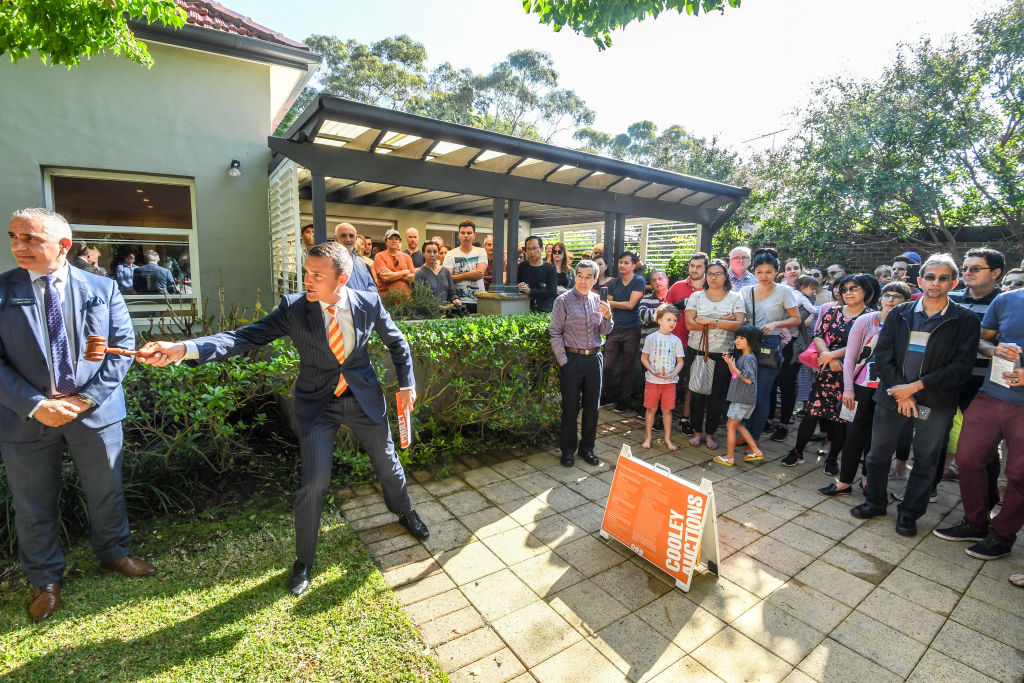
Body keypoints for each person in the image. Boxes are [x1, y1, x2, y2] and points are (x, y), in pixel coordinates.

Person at [138, 242, 428, 596]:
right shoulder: (293, 308)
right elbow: (242, 337)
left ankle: (405, 512)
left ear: (343, 279)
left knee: (387, 463)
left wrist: (406, 384)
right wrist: (184, 349)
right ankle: (304, 560)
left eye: (317, 275)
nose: (307, 279)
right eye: (306, 272)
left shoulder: (367, 302)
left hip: (361, 399)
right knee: (313, 483)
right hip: (317, 405)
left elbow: (398, 343)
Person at [1, 208, 156, 623]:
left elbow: (122, 348)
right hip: (26, 418)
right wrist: (38, 405)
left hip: (95, 413)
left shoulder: (101, 288)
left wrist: (85, 400)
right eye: (15, 236)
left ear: (63, 245)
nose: (19, 245)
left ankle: (114, 554)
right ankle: (46, 579)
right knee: (33, 502)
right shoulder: (1, 290)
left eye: (31, 238)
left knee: (106, 489)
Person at [851, 253, 980, 538]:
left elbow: (961, 367)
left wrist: (916, 388)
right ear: (920, 281)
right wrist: (902, 391)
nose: (936, 283)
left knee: (926, 460)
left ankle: (909, 514)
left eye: (943, 278)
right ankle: (875, 502)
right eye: (931, 277)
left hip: (935, 401)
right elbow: (882, 356)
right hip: (893, 396)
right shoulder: (900, 312)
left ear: (953, 282)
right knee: (877, 455)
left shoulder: (965, 319)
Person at [934, 284, 1024, 559]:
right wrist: (994, 350)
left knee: (1019, 476)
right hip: (990, 394)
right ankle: (975, 523)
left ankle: (1002, 536)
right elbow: (981, 340)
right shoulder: (1007, 300)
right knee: (968, 460)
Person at [819, 281, 912, 496]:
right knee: (853, 435)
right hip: (859, 388)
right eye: (887, 295)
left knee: (878, 440)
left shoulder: (908, 324)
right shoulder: (865, 320)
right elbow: (850, 356)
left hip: (889, 391)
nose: (890, 300)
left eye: (897, 296)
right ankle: (844, 482)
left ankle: (868, 480)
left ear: (906, 301)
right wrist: (848, 389)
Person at [780, 274, 878, 470]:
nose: (848, 292)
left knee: (841, 419)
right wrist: (826, 354)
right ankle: (797, 451)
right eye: (845, 289)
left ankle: (833, 458)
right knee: (811, 413)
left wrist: (833, 356)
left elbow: (863, 345)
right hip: (825, 370)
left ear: (866, 291)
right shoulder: (833, 312)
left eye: (854, 288)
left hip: (851, 375)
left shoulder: (870, 317)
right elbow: (818, 335)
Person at [938, 248, 1004, 492]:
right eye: (965, 268)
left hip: (985, 385)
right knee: (936, 437)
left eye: (975, 268)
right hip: (947, 379)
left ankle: (985, 504)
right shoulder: (950, 298)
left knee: (983, 446)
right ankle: (928, 490)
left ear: (995, 272)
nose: (968, 273)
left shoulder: (1006, 303)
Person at [549, 260, 613, 468]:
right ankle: (568, 450)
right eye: (580, 275)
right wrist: (563, 361)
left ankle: (587, 449)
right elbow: (555, 332)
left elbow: (604, 332)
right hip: (572, 360)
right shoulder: (563, 301)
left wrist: (608, 317)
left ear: (595, 280)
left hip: (594, 359)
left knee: (592, 408)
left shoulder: (599, 301)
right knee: (570, 407)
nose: (583, 280)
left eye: (588, 277)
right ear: (575, 276)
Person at [739, 248, 800, 444]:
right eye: (759, 272)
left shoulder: (784, 292)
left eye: (769, 272)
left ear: (776, 271)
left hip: (770, 345)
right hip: (747, 345)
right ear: (753, 271)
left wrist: (776, 324)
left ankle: (753, 440)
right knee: (745, 392)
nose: (764, 276)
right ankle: (744, 434)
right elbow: (740, 317)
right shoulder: (744, 291)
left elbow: (796, 319)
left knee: (761, 394)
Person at [684, 259, 746, 449]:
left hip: (723, 353)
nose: (713, 277)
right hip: (697, 350)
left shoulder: (735, 297)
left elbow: (739, 323)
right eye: (710, 274)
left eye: (717, 273)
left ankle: (710, 433)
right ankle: (696, 431)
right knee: (696, 393)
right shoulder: (696, 297)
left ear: (726, 275)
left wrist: (710, 321)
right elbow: (690, 324)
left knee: (716, 395)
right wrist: (722, 319)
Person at [602, 252, 646, 412]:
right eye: (620, 262)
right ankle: (610, 396)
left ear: (633, 265)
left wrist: (609, 302)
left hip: (632, 328)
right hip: (614, 327)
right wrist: (610, 304)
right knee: (607, 365)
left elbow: (630, 305)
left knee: (628, 366)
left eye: (626, 262)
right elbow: (610, 307)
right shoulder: (614, 283)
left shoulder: (639, 281)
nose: (622, 265)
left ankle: (624, 400)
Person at [714, 325, 763, 466]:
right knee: (737, 425)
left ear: (751, 341)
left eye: (742, 338)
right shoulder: (745, 357)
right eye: (737, 338)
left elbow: (748, 379)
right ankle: (755, 450)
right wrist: (730, 364)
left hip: (742, 398)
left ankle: (730, 457)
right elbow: (736, 376)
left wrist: (733, 366)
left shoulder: (748, 359)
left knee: (731, 425)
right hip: (741, 398)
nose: (737, 341)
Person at [640, 304, 685, 450]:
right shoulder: (651, 338)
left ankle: (667, 439)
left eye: (675, 320)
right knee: (651, 409)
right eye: (669, 319)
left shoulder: (676, 340)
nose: (672, 323)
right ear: (659, 320)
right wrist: (652, 371)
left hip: (669, 383)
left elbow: (680, 362)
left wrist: (673, 374)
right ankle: (648, 438)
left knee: (667, 410)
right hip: (653, 381)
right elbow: (644, 358)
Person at [444, 219, 488, 312]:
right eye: (463, 233)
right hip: (457, 301)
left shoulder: (481, 251)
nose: (466, 236)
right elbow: (447, 279)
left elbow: (478, 274)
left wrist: (458, 276)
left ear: (474, 235)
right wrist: (468, 275)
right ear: (458, 235)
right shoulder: (450, 254)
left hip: (478, 300)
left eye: (469, 233)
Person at [517, 235, 558, 313]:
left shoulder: (550, 268)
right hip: (524, 309)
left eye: (535, 248)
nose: (532, 252)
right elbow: (515, 285)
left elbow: (552, 292)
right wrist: (519, 286)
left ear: (542, 249)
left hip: (545, 310)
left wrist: (530, 291)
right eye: (528, 249)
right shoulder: (522, 266)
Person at [334, 223, 378, 293]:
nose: (348, 239)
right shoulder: (330, 262)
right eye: (343, 236)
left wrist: (368, 293)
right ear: (336, 239)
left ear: (356, 238)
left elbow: (372, 285)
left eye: (351, 236)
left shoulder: (360, 261)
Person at [415, 241, 460, 306]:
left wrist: (455, 299)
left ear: (438, 253)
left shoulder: (445, 271)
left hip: (447, 313)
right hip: (429, 312)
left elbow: (453, 293)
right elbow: (420, 298)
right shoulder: (420, 274)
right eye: (428, 252)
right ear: (423, 253)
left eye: (435, 252)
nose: (432, 254)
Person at [373, 228, 416, 297]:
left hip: (406, 300)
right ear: (386, 241)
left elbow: (413, 278)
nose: (394, 241)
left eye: (396, 239)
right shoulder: (379, 256)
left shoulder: (406, 257)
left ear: (399, 241)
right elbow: (385, 277)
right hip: (387, 300)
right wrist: (404, 272)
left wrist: (392, 274)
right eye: (391, 239)